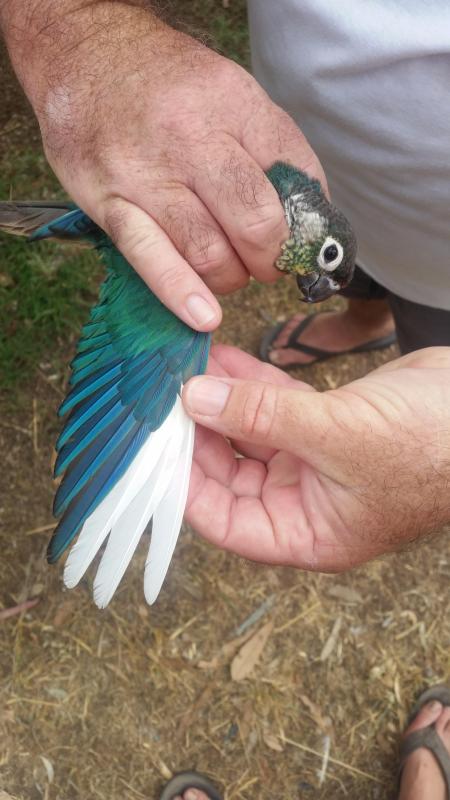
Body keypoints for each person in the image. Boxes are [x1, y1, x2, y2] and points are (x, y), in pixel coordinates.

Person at [1, 1, 450, 797]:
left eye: (323, 261)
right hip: (309, 142)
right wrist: (78, 30)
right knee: (198, 323)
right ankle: (359, 316)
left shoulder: (305, 231)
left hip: (428, 251)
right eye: (323, 260)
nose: (316, 268)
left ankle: (364, 314)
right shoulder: (294, 211)